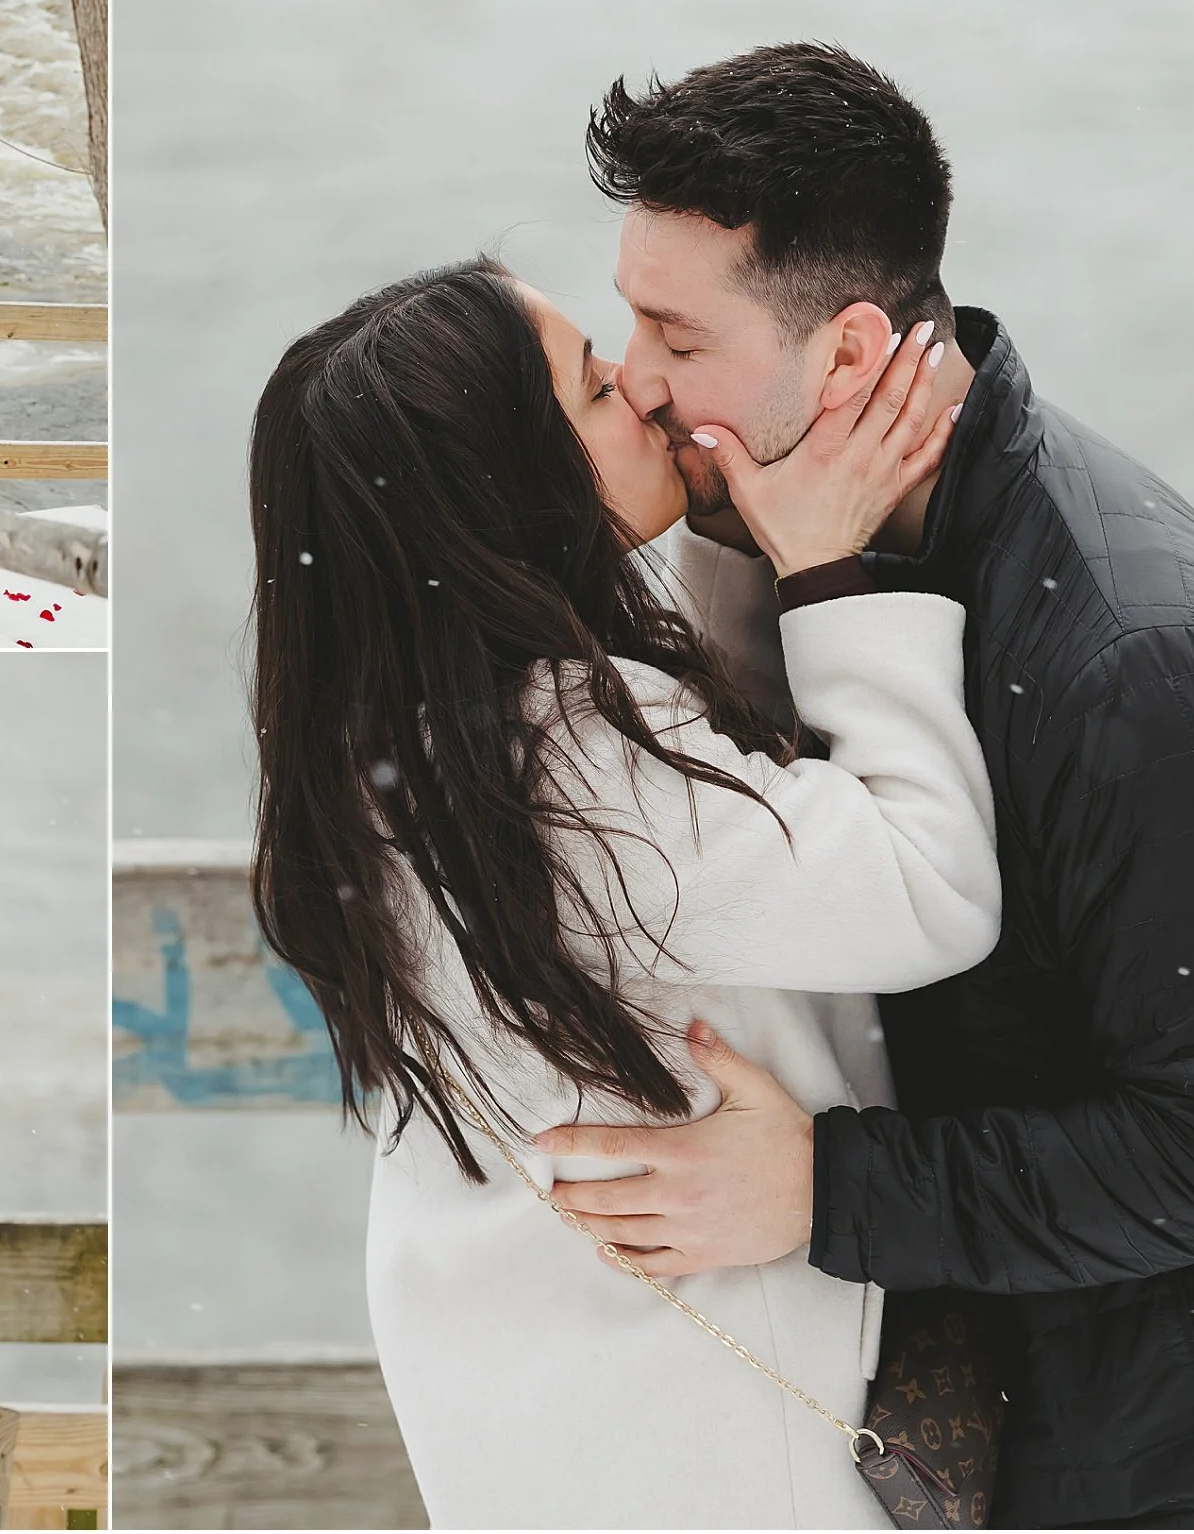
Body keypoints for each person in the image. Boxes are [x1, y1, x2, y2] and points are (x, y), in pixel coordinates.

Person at [537, 43, 1194, 1530]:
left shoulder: (1144, 664)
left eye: (675, 334)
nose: (634, 373)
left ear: (853, 355)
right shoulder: (785, 527)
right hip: (971, 1402)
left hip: (1160, 1455)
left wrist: (825, 1188)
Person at [251, 255, 995, 1526]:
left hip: (528, 1371)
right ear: (512, 491)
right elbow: (931, 891)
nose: (645, 392)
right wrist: (822, 570)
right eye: (598, 389)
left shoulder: (387, 744)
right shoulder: (577, 765)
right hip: (695, 1428)